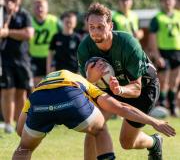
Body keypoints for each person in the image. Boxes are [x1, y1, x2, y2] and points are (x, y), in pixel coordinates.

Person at [12, 70, 175, 160]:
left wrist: (49, 119)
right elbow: (121, 107)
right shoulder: (82, 82)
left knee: (24, 148)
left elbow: (20, 130)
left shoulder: (41, 86)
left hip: (39, 102)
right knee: (99, 129)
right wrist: (152, 121)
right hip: (70, 96)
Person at [77, 2, 166, 160]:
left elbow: (137, 88)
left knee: (126, 143)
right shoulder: (85, 48)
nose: (95, 32)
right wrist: (91, 78)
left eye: (100, 26)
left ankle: (154, 142)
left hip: (143, 89)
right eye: (91, 27)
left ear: (110, 26)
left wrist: (120, 90)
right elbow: (85, 85)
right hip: (110, 88)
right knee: (93, 126)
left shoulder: (127, 44)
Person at [0, 0, 34, 133]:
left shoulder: (25, 15)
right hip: (5, 59)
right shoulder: (1, 14)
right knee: (7, 90)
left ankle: (20, 123)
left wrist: (8, 32)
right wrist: (7, 17)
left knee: (22, 92)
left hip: (22, 59)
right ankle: (8, 124)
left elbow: (28, 34)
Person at [148, 0, 180, 116]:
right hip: (163, 52)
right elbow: (152, 39)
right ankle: (161, 106)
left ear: (174, 1)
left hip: (177, 51)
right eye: (165, 0)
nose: (168, 2)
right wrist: (157, 55)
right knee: (163, 80)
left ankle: (172, 107)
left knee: (175, 80)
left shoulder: (178, 15)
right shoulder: (157, 18)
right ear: (161, 2)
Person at [29, 0, 61, 86]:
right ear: (33, 9)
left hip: (51, 58)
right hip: (34, 58)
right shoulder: (29, 22)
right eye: (37, 7)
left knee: (52, 83)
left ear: (47, 8)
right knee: (36, 84)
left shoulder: (54, 21)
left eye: (42, 6)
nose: (40, 9)